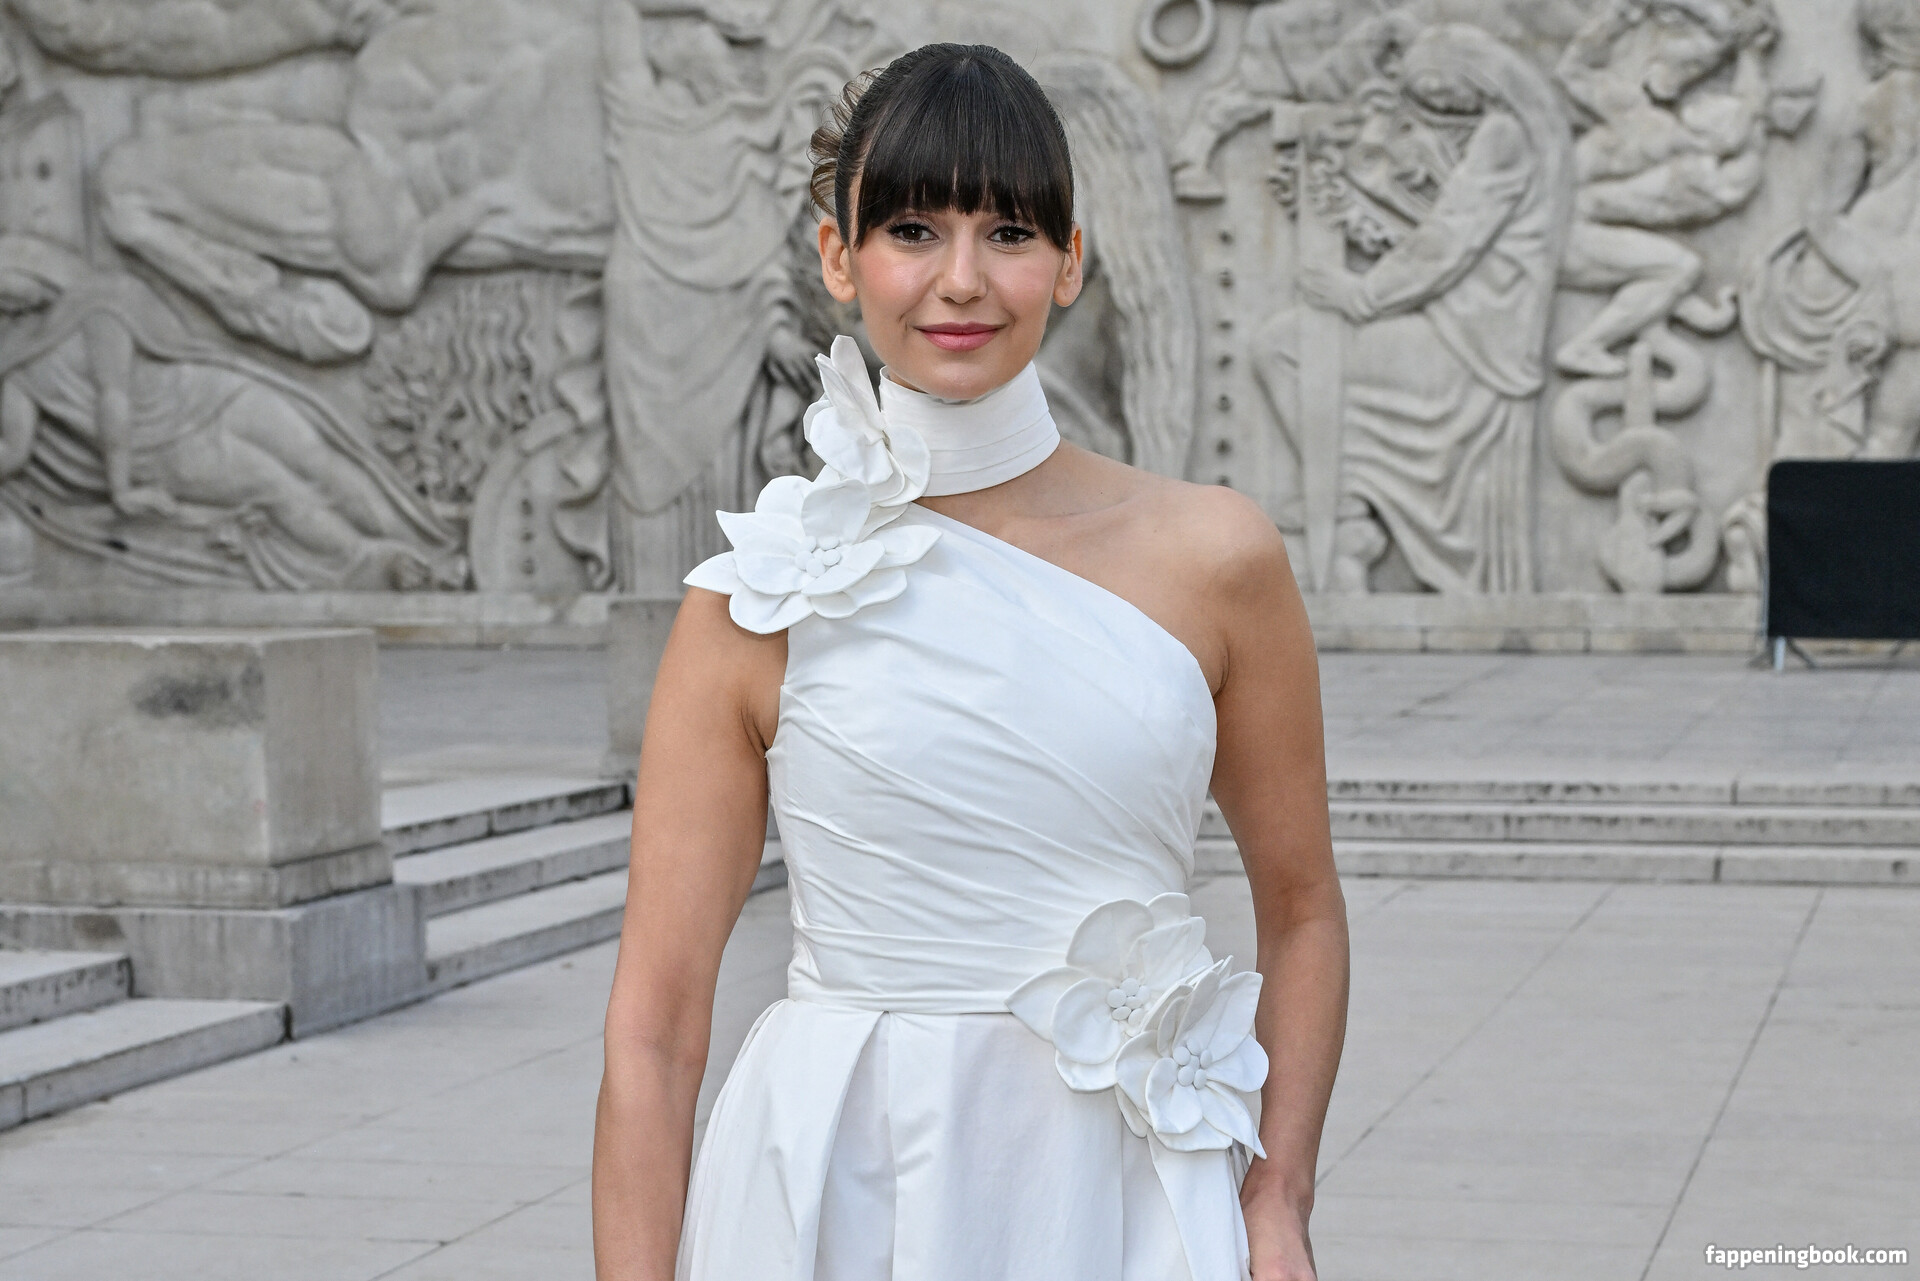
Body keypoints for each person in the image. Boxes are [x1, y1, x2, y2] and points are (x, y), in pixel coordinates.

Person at [592, 43, 1349, 1281]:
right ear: (839, 258)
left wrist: (1278, 1198)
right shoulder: (754, 600)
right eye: (911, 229)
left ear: (1071, 259)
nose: (960, 280)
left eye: (1007, 232)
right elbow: (655, 1029)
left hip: (1125, 1196)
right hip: (833, 1185)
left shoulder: (1217, 556)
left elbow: (1304, 908)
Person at [1257, 23, 1573, 594]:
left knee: (1282, 347)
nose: (1437, 102)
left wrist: (1362, 294)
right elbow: (1433, 223)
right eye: (1426, 93)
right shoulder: (1489, 134)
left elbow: (1450, 239)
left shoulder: (1505, 136)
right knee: (1291, 345)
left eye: (1440, 87)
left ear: (1477, 75)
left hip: (1469, 344)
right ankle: (1348, 511)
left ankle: (1345, 510)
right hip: (1454, 327)